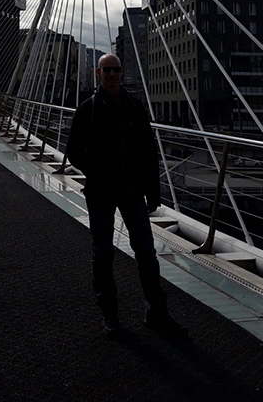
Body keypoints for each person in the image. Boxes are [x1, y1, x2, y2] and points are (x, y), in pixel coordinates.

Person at [66, 53, 187, 338]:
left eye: (116, 70)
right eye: (106, 70)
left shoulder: (135, 107)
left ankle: (157, 312)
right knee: (103, 252)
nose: (111, 74)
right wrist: (96, 171)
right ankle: (110, 314)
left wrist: (153, 193)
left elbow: (148, 152)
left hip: (132, 191)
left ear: (121, 73)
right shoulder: (87, 109)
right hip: (100, 192)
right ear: (99, 74)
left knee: (146, 252)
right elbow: (74, 152)